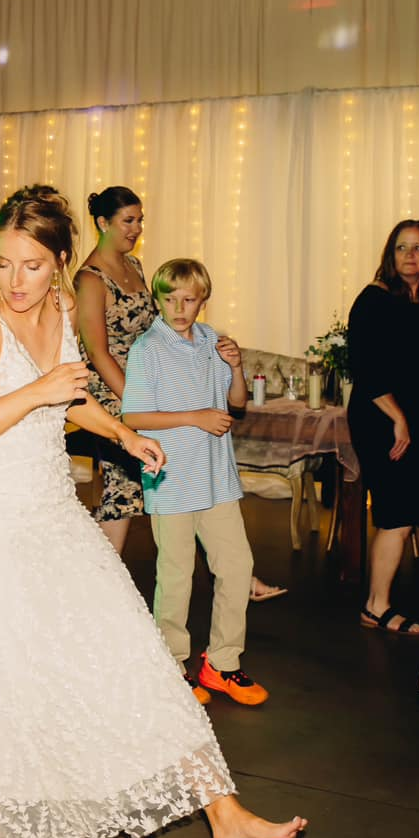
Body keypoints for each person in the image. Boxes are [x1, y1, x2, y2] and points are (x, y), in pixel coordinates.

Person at [0, 185, 306, 838]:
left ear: (60, 264)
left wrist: (125, 435)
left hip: (51, 509)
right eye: (3, 263)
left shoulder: (62, 311)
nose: (14, 280)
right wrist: (36, 395)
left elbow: (73, 397)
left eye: (31, 266)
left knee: (130, 649)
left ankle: (223, 813)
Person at [121, 257, 268, 707]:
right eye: (169, 298)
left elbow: (237, 402)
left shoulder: (212, 341)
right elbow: (133, 416)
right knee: (177, 575)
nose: (179, 308)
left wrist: (237, 367)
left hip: (216, 478)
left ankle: (222, 664)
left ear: (203, 300)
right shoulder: (149, 348)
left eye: (189, 299)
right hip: (171, 478)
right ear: (158, 299)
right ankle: (173, 663)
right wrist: (195, 418)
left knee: (237, 567)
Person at [346, 220, 419, 636]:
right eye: (401, 248)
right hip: (384, 419)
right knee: (396, 512)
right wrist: (398, 420)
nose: (410, 255)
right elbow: (365, 368)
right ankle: (376, 606)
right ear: (389, 255)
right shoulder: (374, 300)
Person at [74, 185, 155, 554]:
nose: (136, 229)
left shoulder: (134, 265)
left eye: (139, 220)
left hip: (142, 382)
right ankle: (105, 577)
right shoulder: (90, 279)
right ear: (103, 223)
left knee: (184, 465)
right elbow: (97, 352)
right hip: (109, 390)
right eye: (128, 221)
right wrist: (137, 401)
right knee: (124, 483)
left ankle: (230, 567)